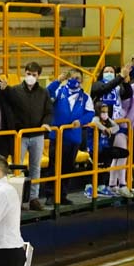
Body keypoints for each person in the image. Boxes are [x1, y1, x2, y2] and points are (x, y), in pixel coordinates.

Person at [7, 61, 52, 211]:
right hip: (20, 136)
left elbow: (48, 111)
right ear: (24, 74)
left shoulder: (44, 92)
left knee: (35, 168)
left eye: (34, 74)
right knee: (17, 168)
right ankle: (16, 198)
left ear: (38, 76)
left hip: (38, 135)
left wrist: (45, 124)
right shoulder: (15, 91)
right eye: (28, 74)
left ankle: (33, 198)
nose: (30, 77)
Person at [47, 69, 94, 204]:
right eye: (71, 78)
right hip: (57, 136)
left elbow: (90, 113)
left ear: (82, 80)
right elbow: (47, 93)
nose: (74, 80)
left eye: (77, 78)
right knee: (54, 167)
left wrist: (81, 121)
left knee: (67, 167)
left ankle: (62, 195)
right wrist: (57, 81)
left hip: (73, 138)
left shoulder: (85, 97)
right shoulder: (59, 91)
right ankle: (51, 195)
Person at [89, 61, 133, 197]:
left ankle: (120, 184)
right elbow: (105, 89)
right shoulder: (97, 84)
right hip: (100, 126)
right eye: (106, 71)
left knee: (123, 153)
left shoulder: (118, 85)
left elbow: (127, 95)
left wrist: (126, 81)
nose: (109, 73)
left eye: (111, 72)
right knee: (103, 158)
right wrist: (120, 77)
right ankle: (98, 186)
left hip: (116, 124)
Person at [85, 103, 131, 199]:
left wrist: (110, 129)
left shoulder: (107, 120)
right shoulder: (95, 119)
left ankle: (101, 186)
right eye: (103, 112)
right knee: (95, 165)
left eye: (106, 112)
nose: (105, 114)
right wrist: (104, 129)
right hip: (94, 149)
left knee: (124, 153)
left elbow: (117, 127)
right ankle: (89, 188)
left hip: (104, 147)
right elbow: (95, 122)